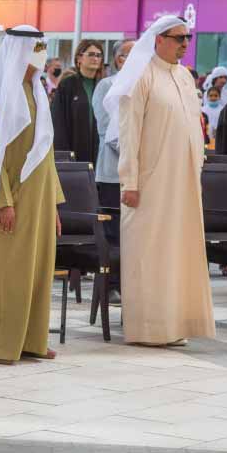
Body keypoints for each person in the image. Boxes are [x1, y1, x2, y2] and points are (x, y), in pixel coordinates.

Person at [107, 15, 215, 346]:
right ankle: (149, 328)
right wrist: (130, 182)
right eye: (179, 37)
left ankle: (176, 325)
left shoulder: (183, 76)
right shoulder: (140, 76)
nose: (185, 43)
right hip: (150, 182)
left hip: (183, 182)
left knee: (179, 253)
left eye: (188, 38)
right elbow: (128, 132)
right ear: (159, 40)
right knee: (150, 253)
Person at [0, 25, 63, 364]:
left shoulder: (37, 92)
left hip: (38, 200)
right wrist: (3, 202)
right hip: (7, 200)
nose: (41, 59)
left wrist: (53, 204)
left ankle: (31, 340)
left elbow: (46, 153)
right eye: (35, 50)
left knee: (36, 273)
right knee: (7, 275)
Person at [92, 39, 134, 296]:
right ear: (118, 59)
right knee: (114, 232)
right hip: (113, 171)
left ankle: (132, 283)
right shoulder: (107, 86)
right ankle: (110, 285)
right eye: (126, 55)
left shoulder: (144, 84)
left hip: (140, 173)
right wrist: (136, 153)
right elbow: (107, 130)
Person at [51, 39, 104, 164]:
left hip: (101, 155)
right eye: (91, 54)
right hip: (74, 155)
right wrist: (63, 156)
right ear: (79, 58)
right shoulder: (67, 85)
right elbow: (58, 122)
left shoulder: (105, 86)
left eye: (98, 55)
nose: (95, 58)